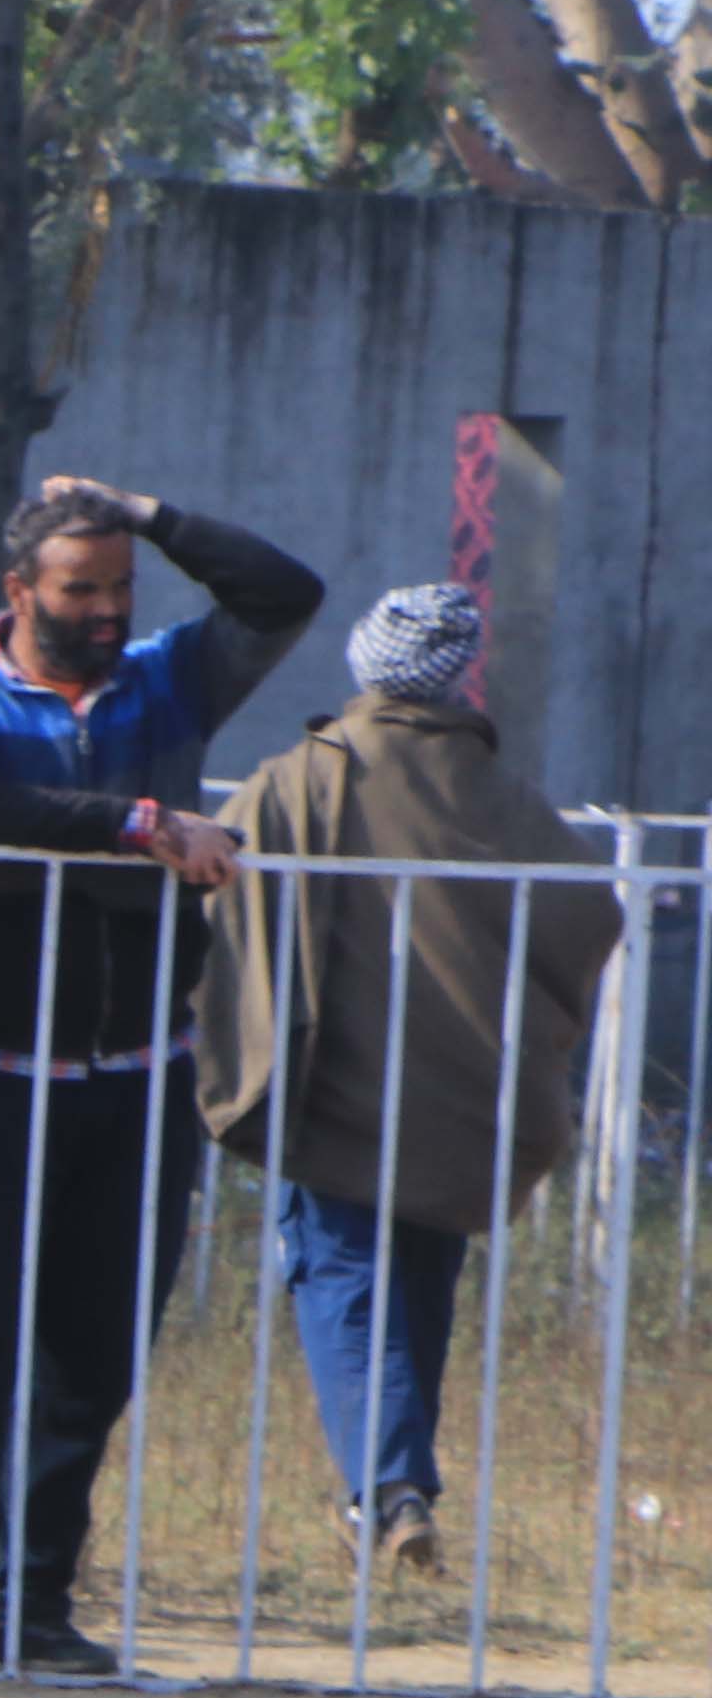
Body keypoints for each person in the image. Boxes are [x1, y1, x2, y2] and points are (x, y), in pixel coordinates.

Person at [0, 475, 318, 1674]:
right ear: (20, 591)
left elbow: (285, 594)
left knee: (94, 1354)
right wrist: (135, 826)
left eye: (123, 586)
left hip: (139, 1074)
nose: (110, 610)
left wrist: (152, 513)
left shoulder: (170, 677)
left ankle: (36, 1610)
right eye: (82, 589)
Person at [201, 583, 623, 1576]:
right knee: (421, 1292)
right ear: (457, 673)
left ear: (364, 662)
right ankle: (394, 1493)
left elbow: (219, 898)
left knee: (344, 1282)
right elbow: (592, 914)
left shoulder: (304, 776)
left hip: (340, 1090)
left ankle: (388, 1490)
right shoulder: (503, 795)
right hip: (468, 1097)